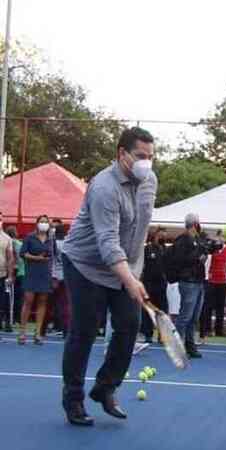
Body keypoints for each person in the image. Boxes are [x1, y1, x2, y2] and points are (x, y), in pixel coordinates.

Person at [61, 127, 156, 427]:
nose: (147, 163)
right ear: (122, 154)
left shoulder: (150, 181)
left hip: (123, 267)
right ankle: (73, 398)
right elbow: (108, 243)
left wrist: (134, 273)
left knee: (130, 324)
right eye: (141, 156)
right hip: (85, 264)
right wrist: (129, 280)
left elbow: (139, 231)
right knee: (85, 329)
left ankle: (105, 388)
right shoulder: (104, 187)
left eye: (151, 157)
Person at [170, 213, 207, 359]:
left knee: (194, 317)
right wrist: (198, 253)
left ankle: (190, 345)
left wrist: (203, 255)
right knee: (185, 316)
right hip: (188, 282)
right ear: (195, 224)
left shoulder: (196, 240)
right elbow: (182, 260)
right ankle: (177, 347)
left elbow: (197, 259)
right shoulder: (182, 240)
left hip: (198, 280)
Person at [18, 215, 53, 345]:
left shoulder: (51, 239)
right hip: (31, 273)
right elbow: (23, 253)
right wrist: (36, 258)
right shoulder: (29, 237)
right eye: (41, 221)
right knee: (28, 301)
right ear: (37, 223)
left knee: (42, 302)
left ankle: (38, 334)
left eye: (46, 222)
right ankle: (22, 333)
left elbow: (53, 255)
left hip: (45, 274)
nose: (44, 224)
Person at [140, 227, 168, 344]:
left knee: (162, 311)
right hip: (148, 284)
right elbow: (141, 265)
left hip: (161, 285)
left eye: (164, 236)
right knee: (148, 310)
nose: (162, 238)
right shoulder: (147, 249)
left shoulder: (166, 250)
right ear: (155, 236)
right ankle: (148, 334)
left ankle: (162, 335)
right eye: (161, 236)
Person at [201, 230, 226, 339]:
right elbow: (206, 264)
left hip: (222, 282)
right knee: (208, 306)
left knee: (220, 307)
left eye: (222, 237)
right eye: (219, 237)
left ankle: (219, 329)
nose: (220, 239)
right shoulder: (211, 249)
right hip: (211, 281)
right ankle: (207, 329)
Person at [51, 221, 69, 338]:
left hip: (55, 275)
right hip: (66, 275)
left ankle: (55, 326)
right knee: (66, 304)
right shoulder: (68, 243)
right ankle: (65, 329)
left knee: (51, 303)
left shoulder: (53, 243)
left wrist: (53, 276)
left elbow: (51, 260)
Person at [6, 226, 24, 329]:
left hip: (10, 271)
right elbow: (19, 259)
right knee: (18, 297)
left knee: (9, 297)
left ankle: (10, 319)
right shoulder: (19, 244)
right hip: (19, 272)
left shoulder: (9, 242)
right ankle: (17, 318)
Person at [0, 214, 15, 333]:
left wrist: (10, 276)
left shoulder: (7, 238)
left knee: (2, 301)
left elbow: (10, 258)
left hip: (2, 275)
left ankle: (3, 323)